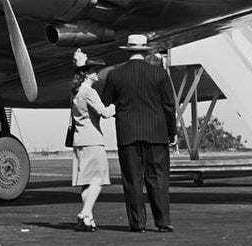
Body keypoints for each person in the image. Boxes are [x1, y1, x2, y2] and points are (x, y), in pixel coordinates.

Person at [100, 33, 179, 233]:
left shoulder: (115, 75)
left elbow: (106, 104)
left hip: (127, 134)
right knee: (158, 177)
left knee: (132, 179)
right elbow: (169, 106)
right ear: (145, 51)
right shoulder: (159, 74)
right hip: (156, 132)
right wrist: (172, 132)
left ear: (128, 50)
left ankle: (137, 223)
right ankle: (163, 222)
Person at [69, 56, 114, 231]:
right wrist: (117, 105)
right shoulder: (89, 92)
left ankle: (88, 218)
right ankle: (84, 212)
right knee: (98, 179)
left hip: (80, 140)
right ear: (87, 74)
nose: (97, 73)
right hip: (93, 140)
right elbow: (104, 112)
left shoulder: (76, 91)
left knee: (87, 182)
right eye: (94, 70)